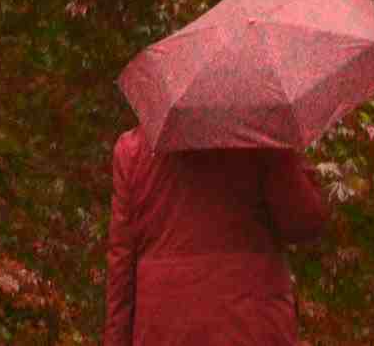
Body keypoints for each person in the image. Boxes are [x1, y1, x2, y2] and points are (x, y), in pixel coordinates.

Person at [103, 123, 329, 346]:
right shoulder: (262, 139)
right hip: (252, 326)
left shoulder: (132, 150)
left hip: (165, 328)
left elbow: (122, 264)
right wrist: (290, 153)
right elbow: (305, 222)